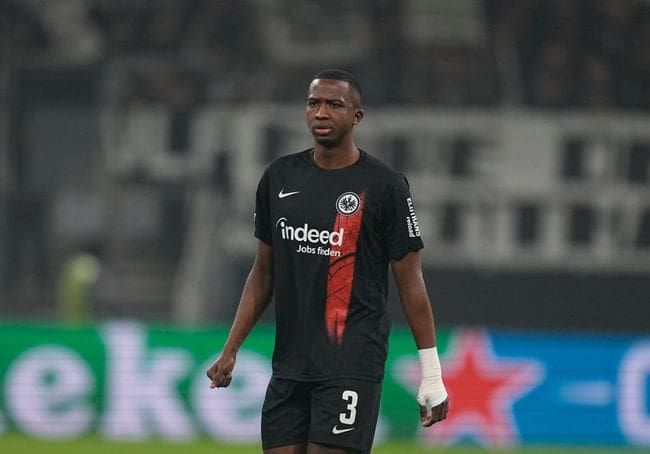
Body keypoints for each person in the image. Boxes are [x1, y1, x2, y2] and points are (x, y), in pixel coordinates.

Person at [207, 69, 449, 454]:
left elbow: (410, 282)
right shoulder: (278, 177)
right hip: (289, 365)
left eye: (334, 104)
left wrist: (432, 374)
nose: (321, 112)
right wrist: (231, 348)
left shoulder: (385, 186)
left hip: (350, 362)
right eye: (313, 103)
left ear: (356, 116)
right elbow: (263, 272)